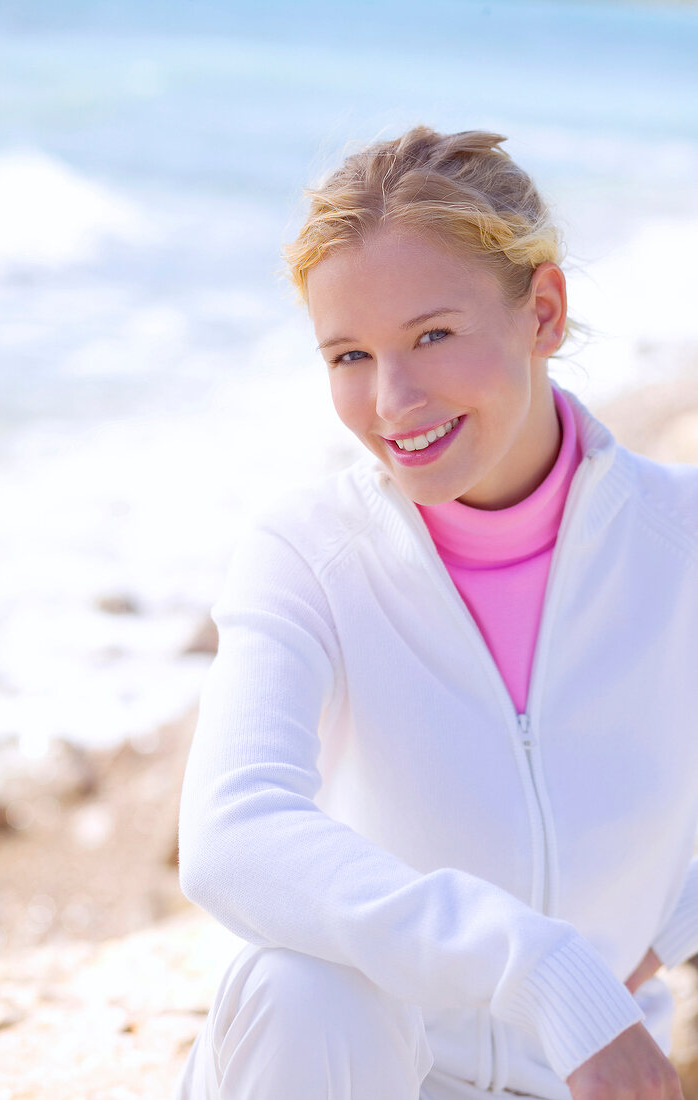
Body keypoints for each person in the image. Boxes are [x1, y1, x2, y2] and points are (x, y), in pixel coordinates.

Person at [172, 127, 698, 1100]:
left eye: (432, 335)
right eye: (349, 354)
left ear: (542, 310)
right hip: (351, 1071)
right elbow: (230, 832)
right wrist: (542, 965)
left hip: (578, 1082)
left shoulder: (681, 541)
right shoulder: (310, 553)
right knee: (309, 986)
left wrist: (670, 921)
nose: (392, 400)